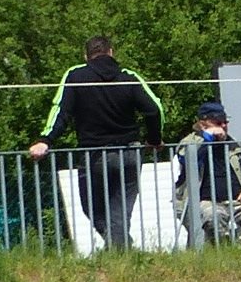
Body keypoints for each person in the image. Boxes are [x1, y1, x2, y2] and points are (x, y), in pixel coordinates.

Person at [27, 36, 164, 255]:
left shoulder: (75, 76)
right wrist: (155, 139)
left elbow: (61, 111)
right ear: (111, 52)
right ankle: (123, 252)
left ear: (86, 56)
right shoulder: (129, 77)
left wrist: (46, 139)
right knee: (120, 211)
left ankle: (121, 257)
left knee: (92, 208)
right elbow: (154, 109)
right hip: (130, 153)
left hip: (94, 156)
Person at [173, 100, 241, 246]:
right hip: (204, 201)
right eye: (218, 122)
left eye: (225, 122)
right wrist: (207, 138)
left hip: (238, 200)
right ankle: (223, 252)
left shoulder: (234, 145)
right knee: (212, 216)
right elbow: (186, 160)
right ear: (203, 124)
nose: (223, 126)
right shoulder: (190, 142)